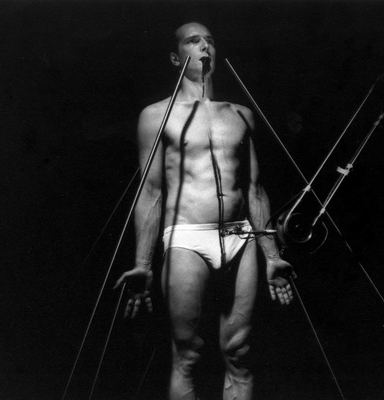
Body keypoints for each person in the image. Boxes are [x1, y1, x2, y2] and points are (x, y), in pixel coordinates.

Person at [115, 22, 295, 400]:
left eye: (209, 40)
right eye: (193, 41)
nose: (204, 46)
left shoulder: (241, 113)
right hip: (187, 237)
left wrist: (272, 255)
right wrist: (143, 264)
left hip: (241, 236)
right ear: (176, 57)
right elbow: (151, 191)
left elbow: (254, 188)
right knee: (189, 354)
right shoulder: (156, 115)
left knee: (239, 352)